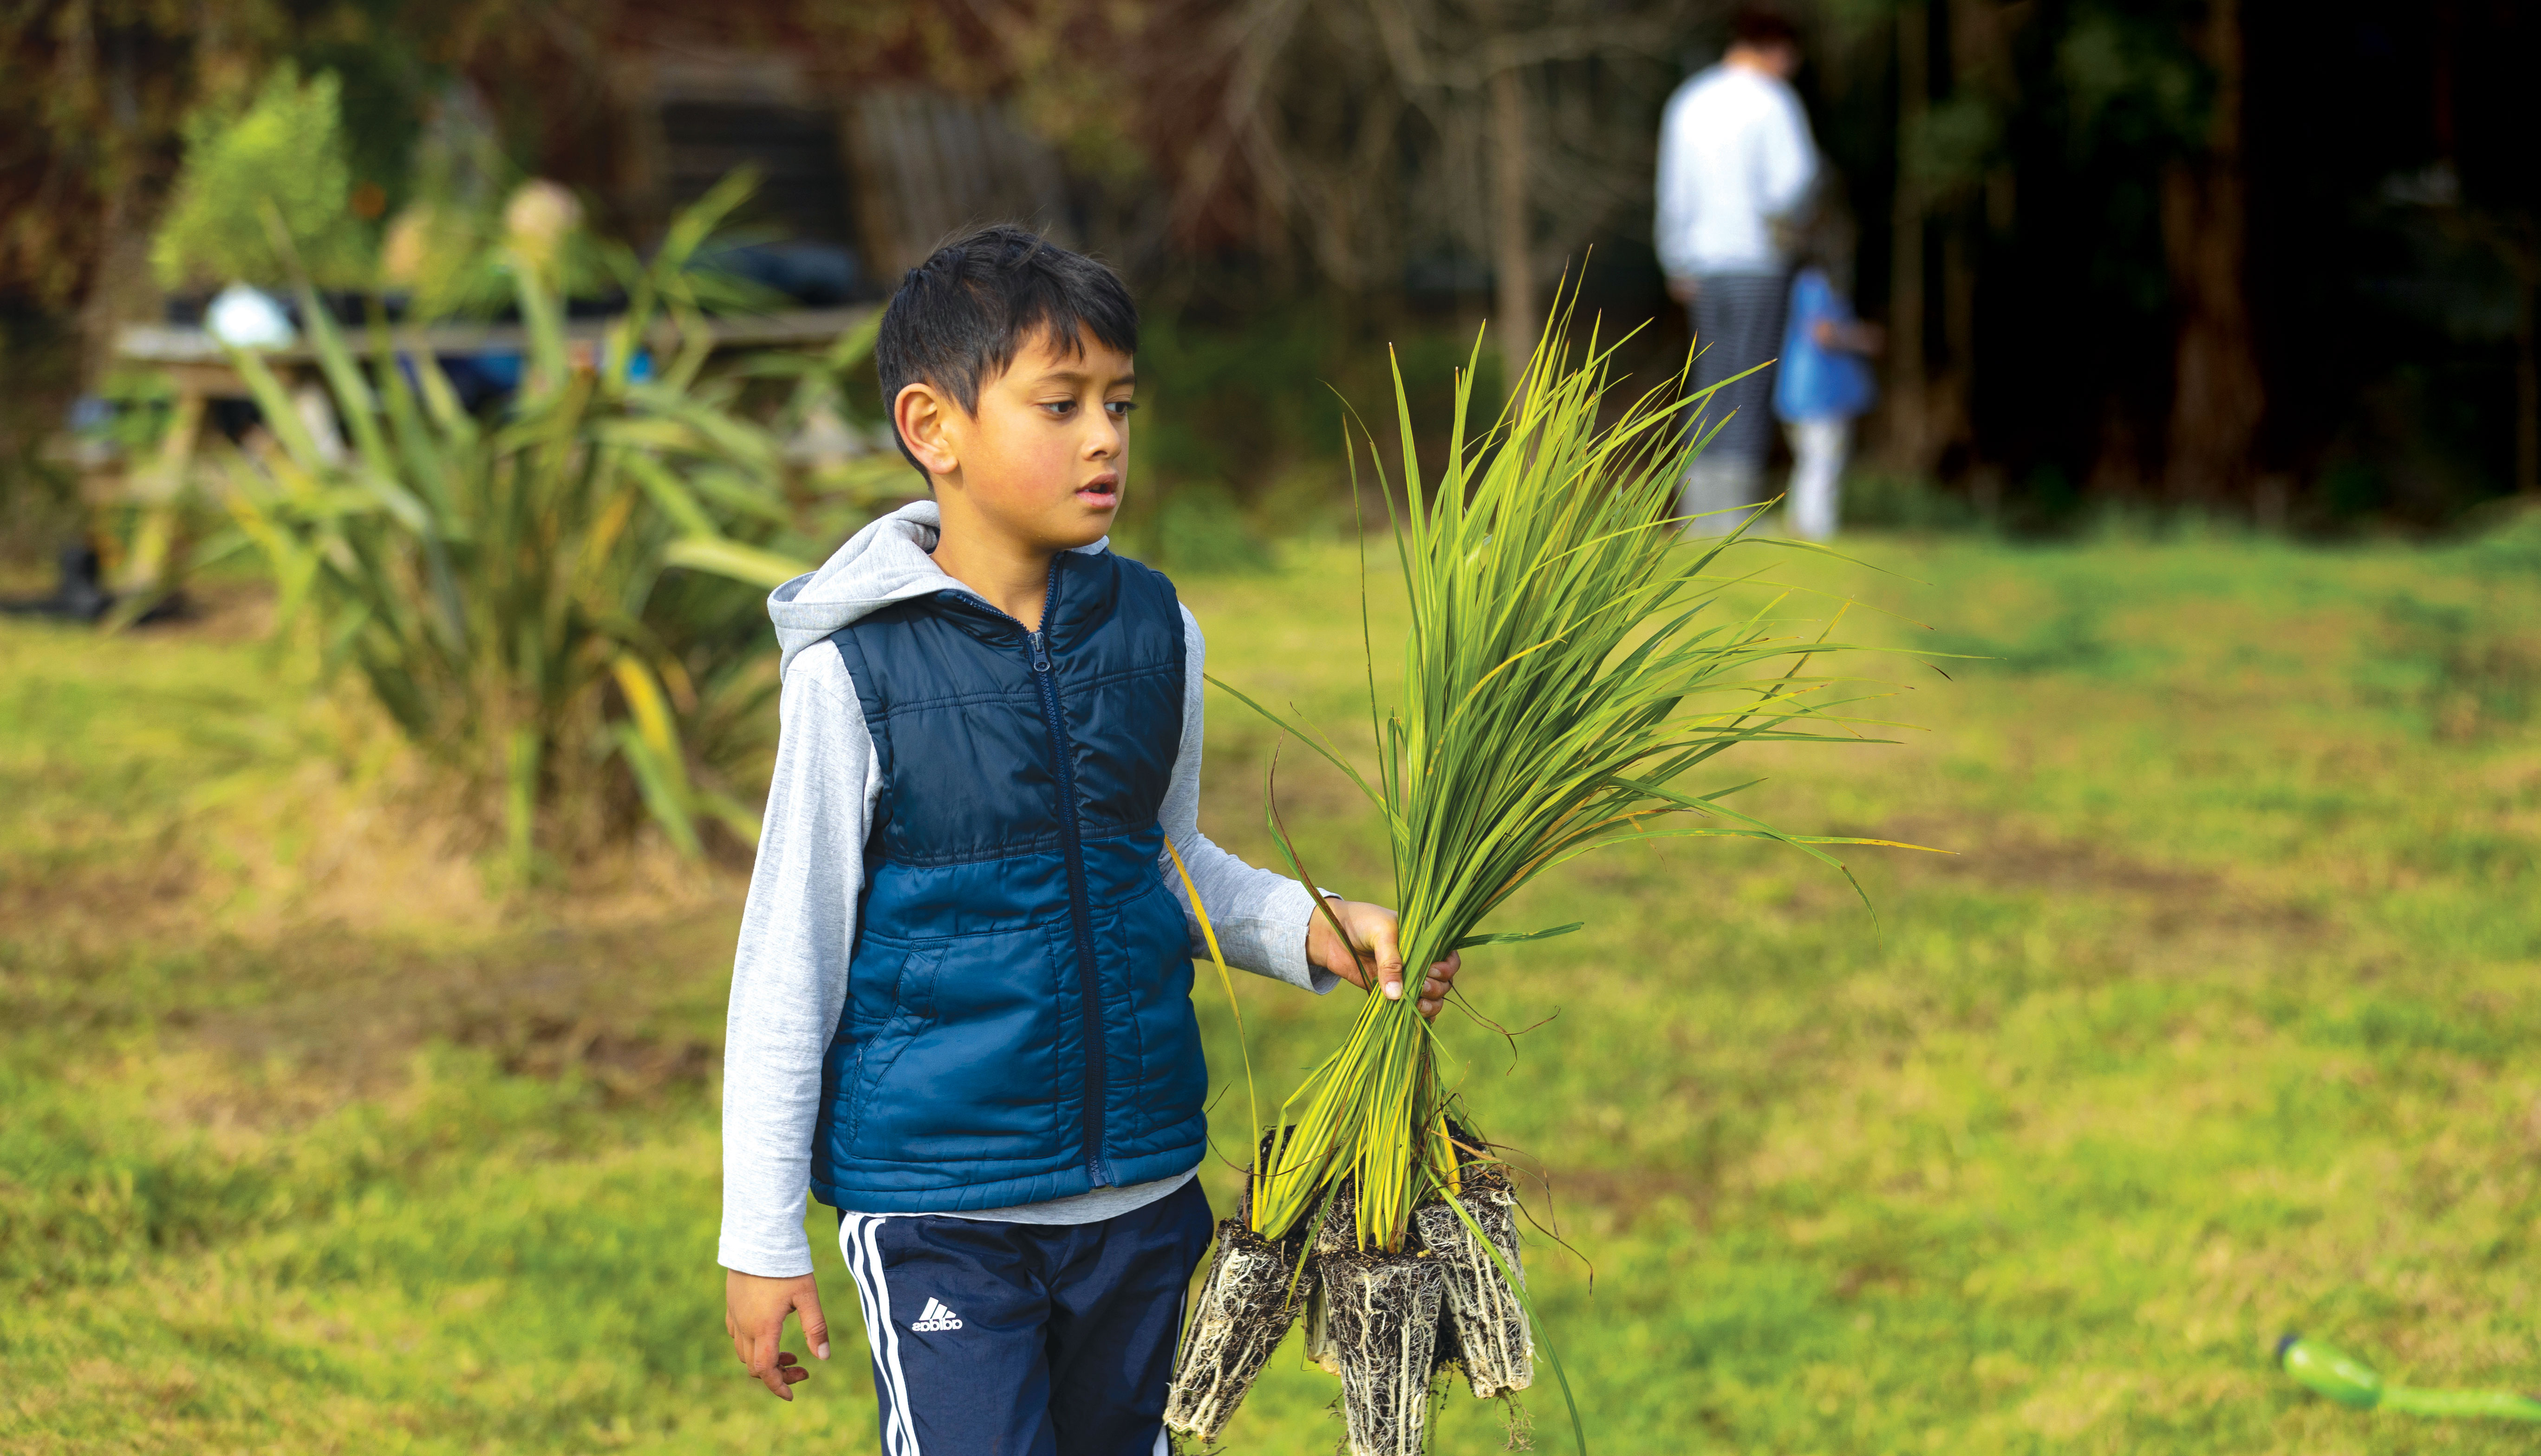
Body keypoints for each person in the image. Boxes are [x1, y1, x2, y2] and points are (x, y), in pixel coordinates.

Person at [716, 224, 1462, 1453]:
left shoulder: (1155, 631)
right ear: (931, 428)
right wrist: (761, 1235)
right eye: (1059, 405)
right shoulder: (855, 673)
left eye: (1120, 402)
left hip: (1145, 1200)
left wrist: (1323, 930)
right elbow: (789, 965)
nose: (1106, 435)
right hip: (944, 1208)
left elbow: (1169, 866)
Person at [1654, 7, 1819, 523]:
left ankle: (1700, 511)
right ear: (1776, 48)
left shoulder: (1690, 101)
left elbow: (1672, 190)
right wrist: (1784, 219)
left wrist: (1675, 255)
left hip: (1701, 265)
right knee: (1748, 381)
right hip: (1757, 260)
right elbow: (1795, 180)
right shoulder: (1773, 101)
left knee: (1710, 378)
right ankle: (1732, 514)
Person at [1774, 261, 1881, 540]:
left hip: (1810, 393)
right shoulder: (1814, 283)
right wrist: (1862, 338)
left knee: (1811, 461)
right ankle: (1818, 528)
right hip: (1816, 394)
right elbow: (1822, 333)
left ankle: (1801, 523)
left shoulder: (1813, 283)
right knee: (1822, 461)